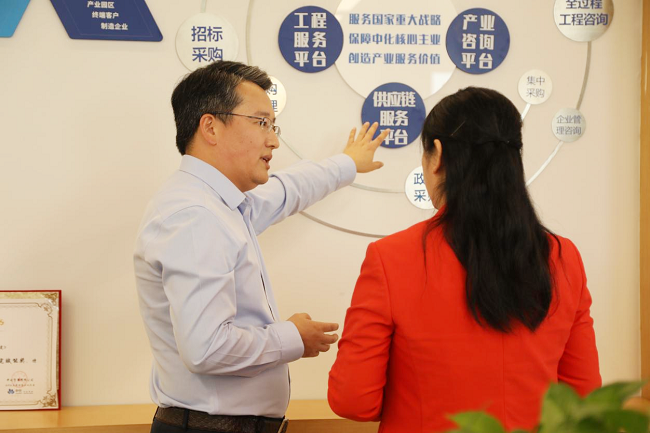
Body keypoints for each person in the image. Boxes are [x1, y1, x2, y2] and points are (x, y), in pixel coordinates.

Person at [133, 60, 388, 433]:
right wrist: (294, 337)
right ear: (211, 127)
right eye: (261, 123)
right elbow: (207, 348)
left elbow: (286, 191)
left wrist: (347, 163)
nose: (273, 140)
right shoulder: (195, 216)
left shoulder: (220, 204)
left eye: (273, 125)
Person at [328, 87, 601, 433]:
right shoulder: (563, 257)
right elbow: (583, 395)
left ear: (437, 156)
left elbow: (353, 399)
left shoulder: (390, 258)